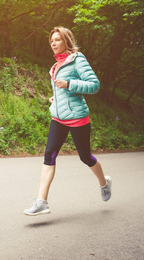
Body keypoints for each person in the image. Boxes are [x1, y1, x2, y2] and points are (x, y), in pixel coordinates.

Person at [23, 26, 112, 216]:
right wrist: (56, 98)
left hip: (78, 118)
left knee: (85, 157)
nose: (53, 43)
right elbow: (62, 91)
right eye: (51, 41)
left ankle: (104, 183)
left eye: (57, 40)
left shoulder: (77, 59)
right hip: (58, 117)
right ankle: (41, 202)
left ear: (66, 41)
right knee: (49, 155)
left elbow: (94, 85)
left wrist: (69, 84)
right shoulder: (55, 66)